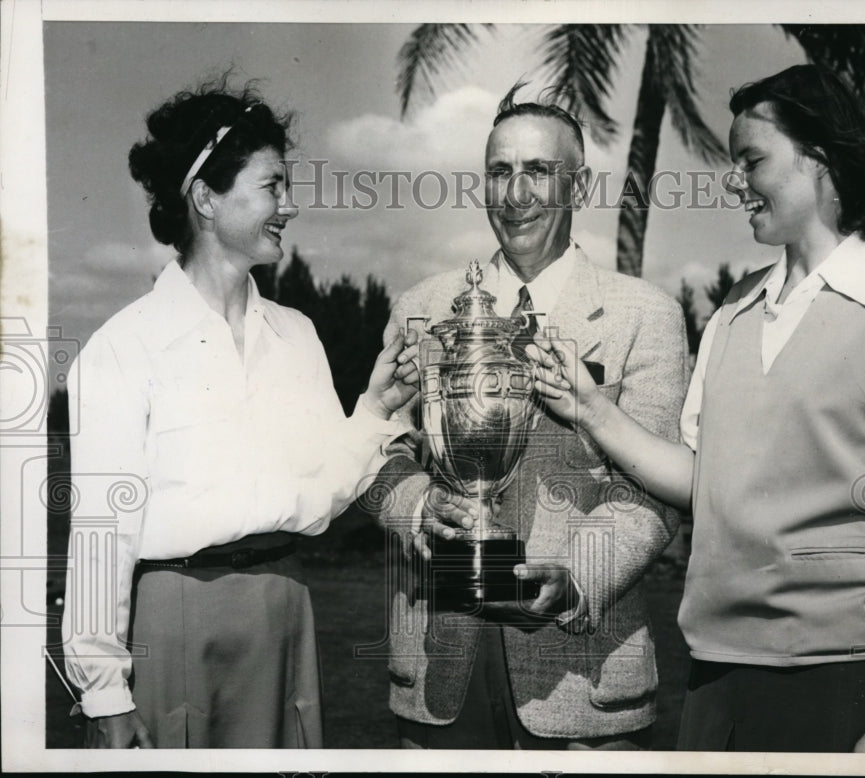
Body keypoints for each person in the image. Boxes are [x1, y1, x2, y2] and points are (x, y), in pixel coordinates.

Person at [530, 64, 865, 753]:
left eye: (751, 160)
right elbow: (703, 482)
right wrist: (592, 411)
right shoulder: (734, 309)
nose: (732, 180)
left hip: (846, 681)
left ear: (820, 159)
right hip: (716, 678)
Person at [60, 81, 419, 749]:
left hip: (288, 608)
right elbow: (100, 536)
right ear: (205, 198)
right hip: (178, 618)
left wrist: (374, 411)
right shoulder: (123, 346)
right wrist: (104, 687)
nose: (291, 205)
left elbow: (320, 497)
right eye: (272, 186)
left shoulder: (297, 335)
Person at [369, 84, 688, 749]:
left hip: (583, 675)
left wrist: (576, 579)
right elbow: (376, 449)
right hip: (437, 668)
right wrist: (414, 508)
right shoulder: (422, 308)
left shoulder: (644, 314)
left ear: (579, 183)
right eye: (499, 170)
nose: (515, 193)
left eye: (538, 171)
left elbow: (659, 488)